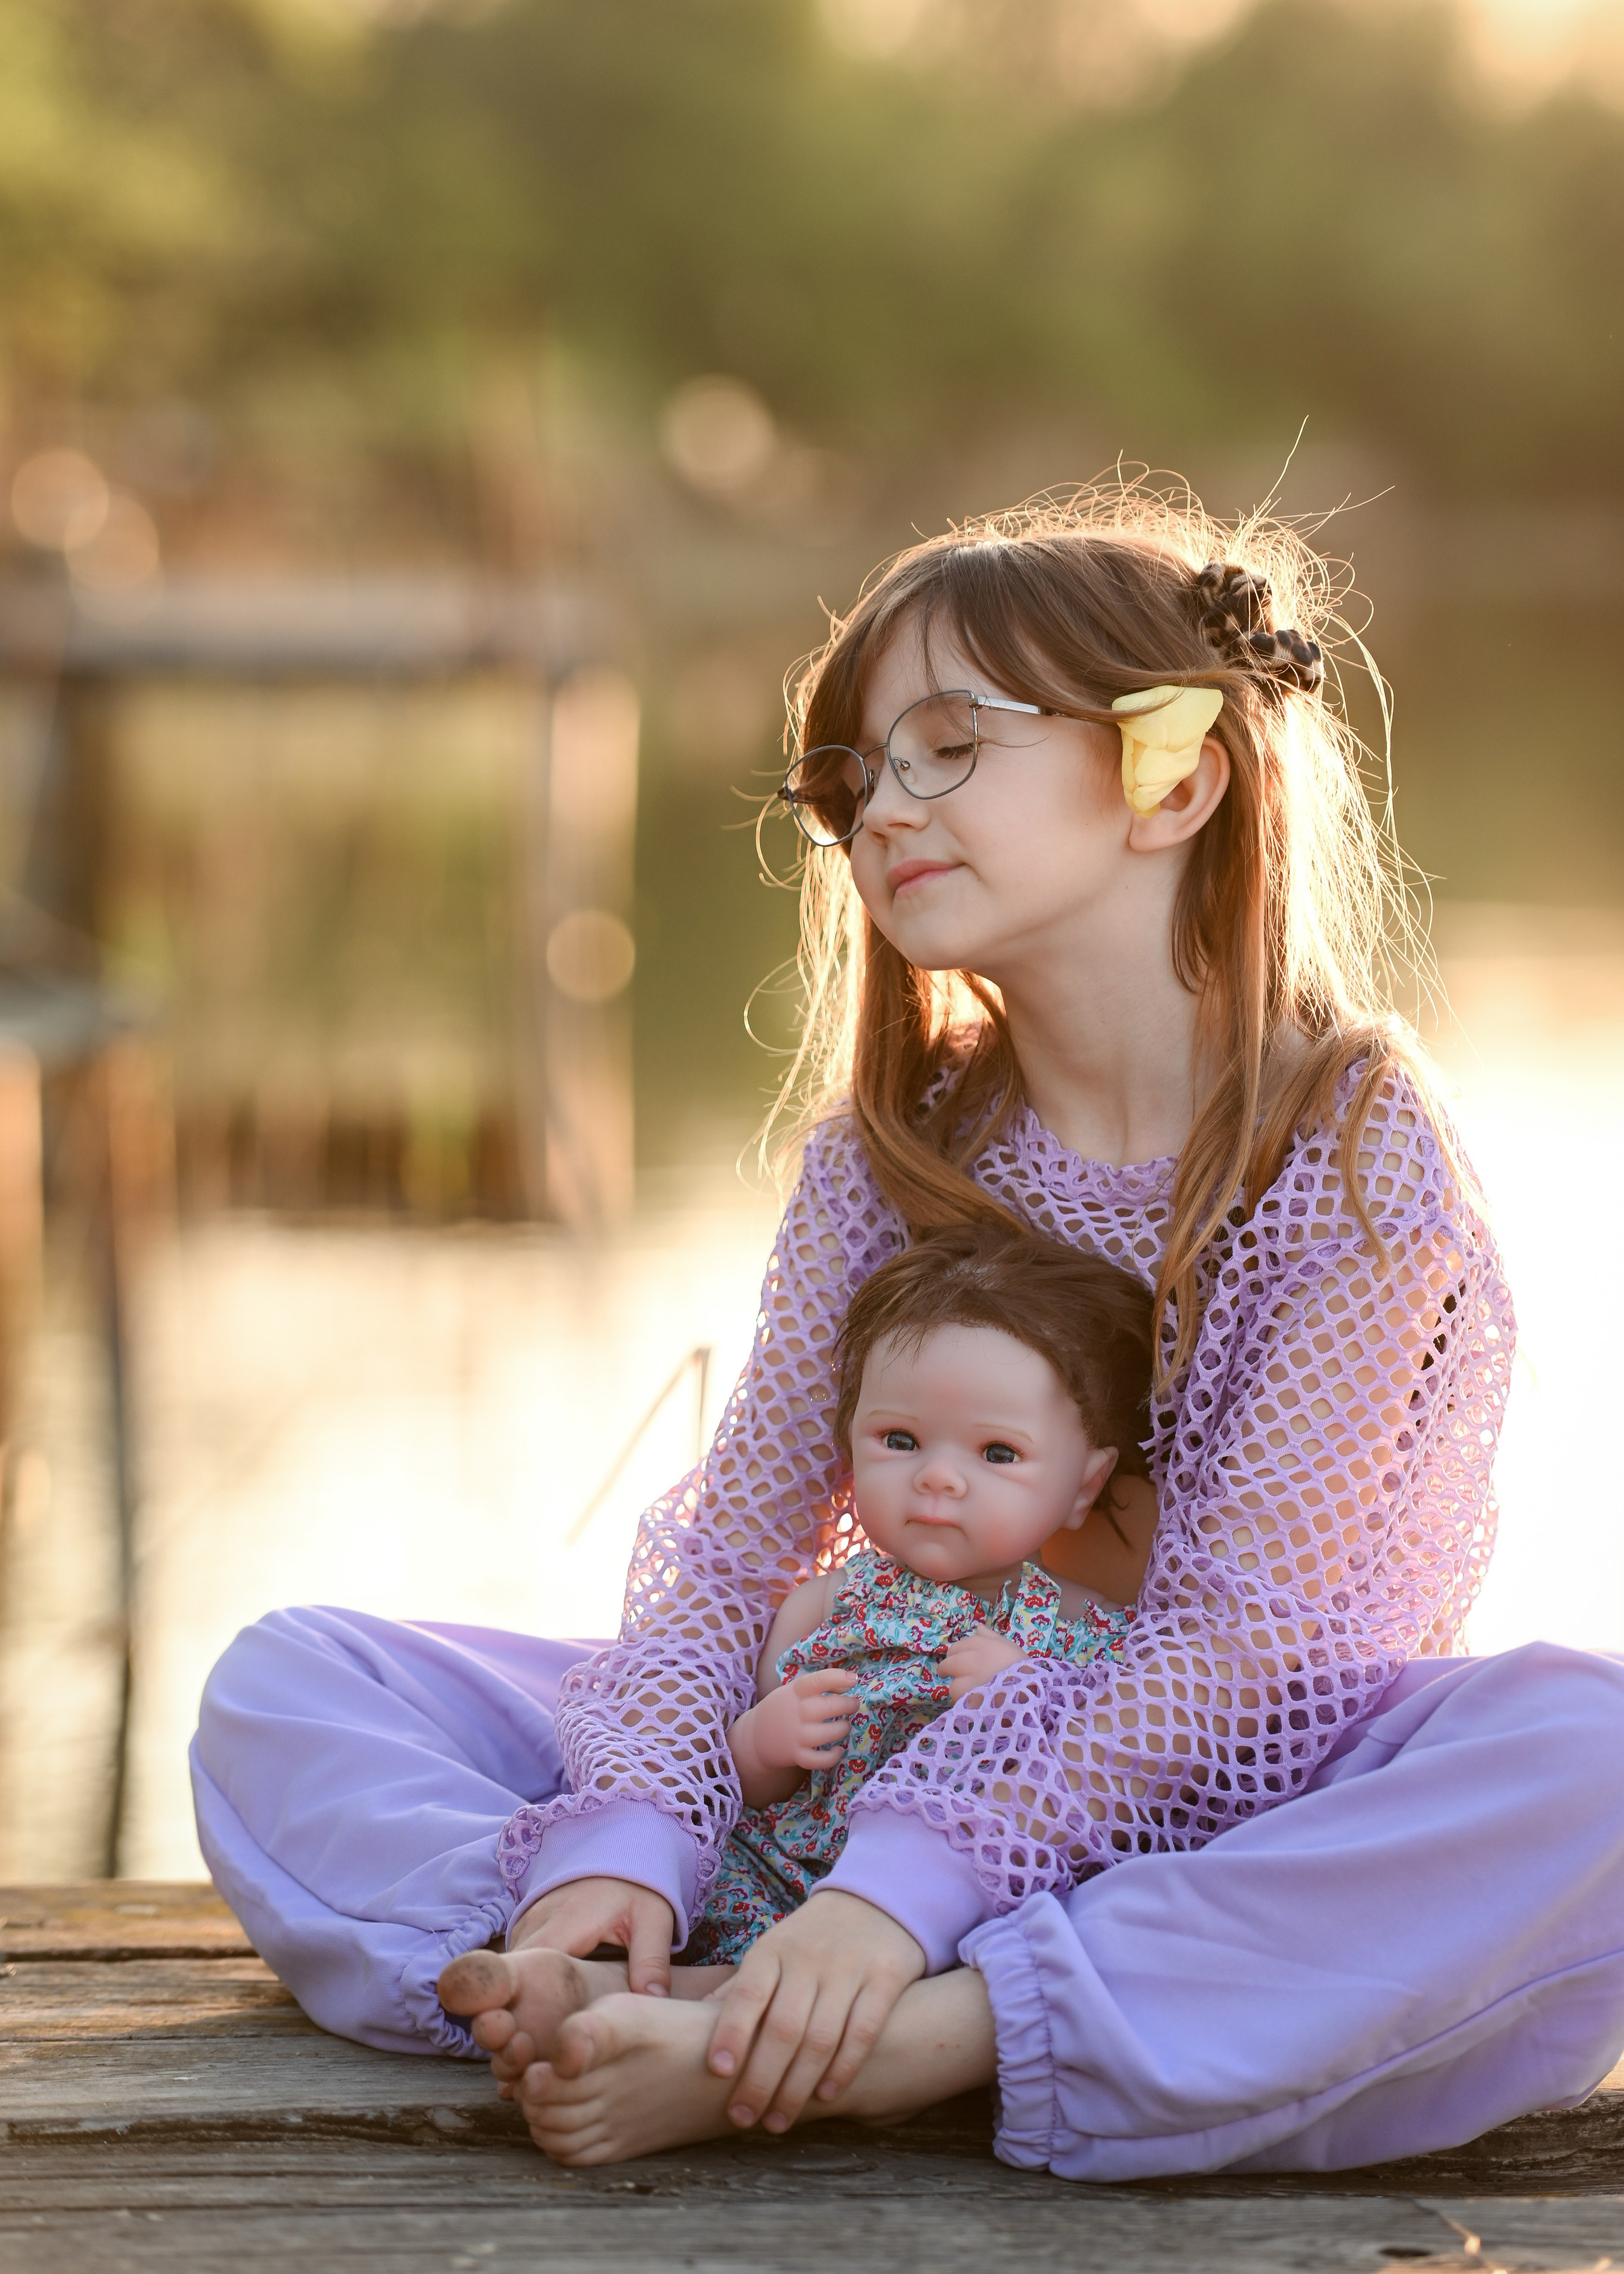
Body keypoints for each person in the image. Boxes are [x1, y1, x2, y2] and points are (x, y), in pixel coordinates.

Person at [192, 490, 1624, 2179]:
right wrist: (639, 1833)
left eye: (950, 746)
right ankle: (616, 1951)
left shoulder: (1349, 1153)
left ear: (1176, 778)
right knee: (295, 1683)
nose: (884, 809)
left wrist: (905, 1894)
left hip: (1210, 1814)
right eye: (854, 776)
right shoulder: (894, 1158)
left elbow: (1251, 1662)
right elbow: (735, 1552)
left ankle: (874, 2039)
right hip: (850, 1739)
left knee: (1589, 1758)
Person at [438, 1223, 1150, 2049]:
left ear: (1082, 1486)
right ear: (851, 1447)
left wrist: (1027, 1689)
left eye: (998, 1453)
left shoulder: (1076, 1627)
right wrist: (763, 1743)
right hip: (787, 1870)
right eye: (901, 1441)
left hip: (938, 1901)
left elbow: (1109, 1770)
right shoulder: (822, 1608)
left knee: (1007, 1939)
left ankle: (633, 2012)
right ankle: (615, 1987)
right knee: (728, 1893)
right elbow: (746, 1781)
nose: (939, 1477)